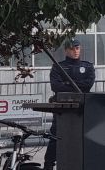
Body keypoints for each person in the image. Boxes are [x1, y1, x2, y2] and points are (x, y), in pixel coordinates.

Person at [43, 39, 94, 170]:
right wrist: (74, 86)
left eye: (77, 48)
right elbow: (56, 86)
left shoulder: (87, 66)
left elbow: (88, 85)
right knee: (56, 135)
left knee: (83, 135)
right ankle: (48, 164)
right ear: (66, 50)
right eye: (72, 49)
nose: (75, 51)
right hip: (62, 107)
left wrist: (67, 84)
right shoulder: (58, 66)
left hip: (82, 107)